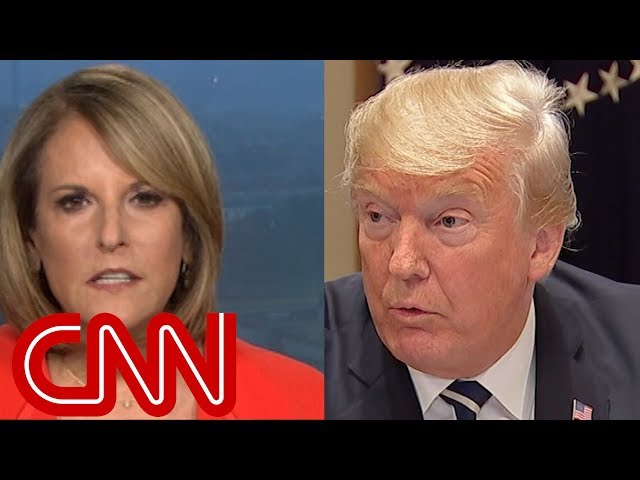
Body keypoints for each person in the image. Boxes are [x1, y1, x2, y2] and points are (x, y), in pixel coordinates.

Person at [0, 63, 323, 420]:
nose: (111, 236)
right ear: (31, 240)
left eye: (145, 199)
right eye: (75, 202)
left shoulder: (306, 402)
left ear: (188, 234)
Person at [324, 60, 640, 420]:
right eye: (378, 217)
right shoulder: (300, 360)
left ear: (541, 245)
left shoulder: (632, 342)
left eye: (449, 221)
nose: (402, 264)